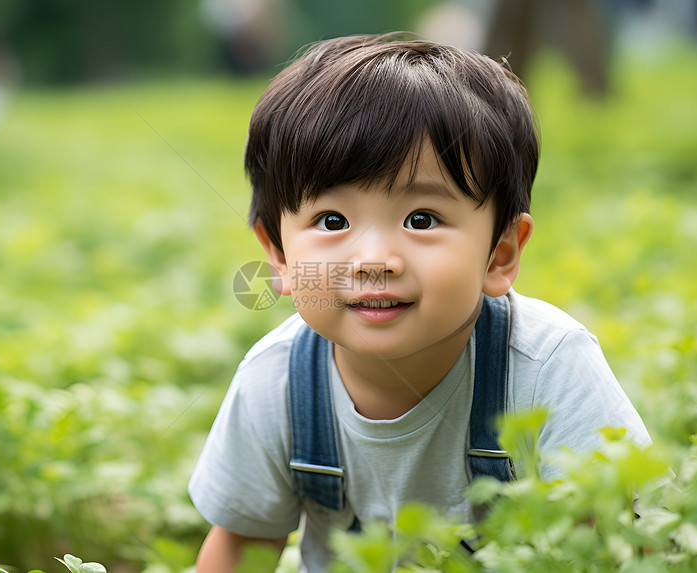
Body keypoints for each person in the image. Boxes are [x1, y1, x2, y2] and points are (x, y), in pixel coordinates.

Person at [188, 32, 650, 572]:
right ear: (281, 257)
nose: (375, 259)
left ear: (499, 254)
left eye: (421, 220)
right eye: (332, 221)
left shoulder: (547, 369)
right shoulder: (278, 382)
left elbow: (616, 544)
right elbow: (240, 547)